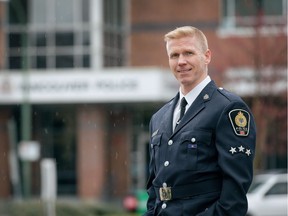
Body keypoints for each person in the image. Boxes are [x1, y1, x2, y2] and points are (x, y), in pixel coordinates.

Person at [144, 26, 256, 216]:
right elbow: (155, 192)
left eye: (188, 53)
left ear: (207, 56)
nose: (181, 61)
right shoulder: (159, 118)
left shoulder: (228, 109)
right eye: (174, 55)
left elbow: (233, 200)